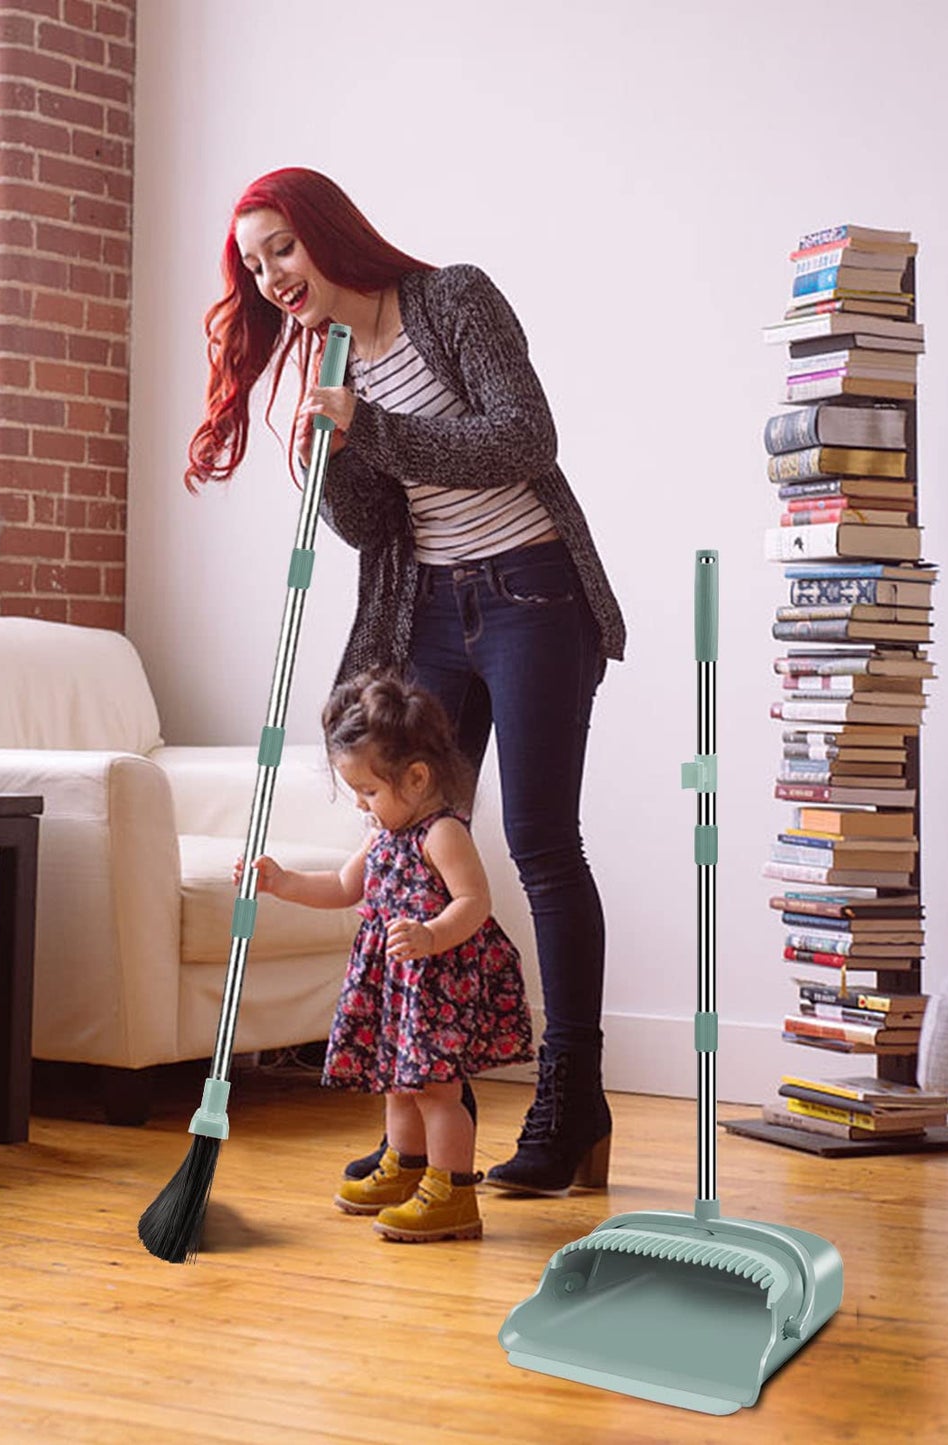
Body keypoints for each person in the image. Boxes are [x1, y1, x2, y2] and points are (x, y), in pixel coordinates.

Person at [189, 167, 626, 1197]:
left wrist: (370, 425)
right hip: (425, 604)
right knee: (409, 846)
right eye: (255, 266)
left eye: (281, 248)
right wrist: (331, 456)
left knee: (539, 843)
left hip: (531, 594)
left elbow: (524, 437)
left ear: (327, 233)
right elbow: (377, 526)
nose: (272, 277)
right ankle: (439, 1119)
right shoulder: (324, 358)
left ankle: (573, 1098)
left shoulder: (451, 299)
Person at [237, 670, 533, 1242]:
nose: (361, 804)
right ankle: (406, 1166)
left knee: (438, 1092)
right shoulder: (380, 836)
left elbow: (475, 901)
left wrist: (431, 934)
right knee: (399, 1085)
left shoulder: (441, 833)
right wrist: (283, 881)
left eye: (369, 791)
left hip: (435, 984)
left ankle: (453, 1194)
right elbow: (343, 888)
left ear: (417, 778)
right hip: (397, 985)